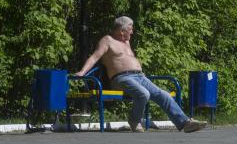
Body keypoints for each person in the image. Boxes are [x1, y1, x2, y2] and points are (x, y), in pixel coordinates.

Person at [75, 16, 207, 133]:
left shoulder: (126, 42)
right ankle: (134, 120)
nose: (132, 32)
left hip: (140, 77)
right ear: (122, 30)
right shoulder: (107, 40)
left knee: (164, 95)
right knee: (144, 94)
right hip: (121, 78)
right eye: (130, 29)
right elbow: (94, 57)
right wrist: (82, 72)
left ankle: (185, 123)